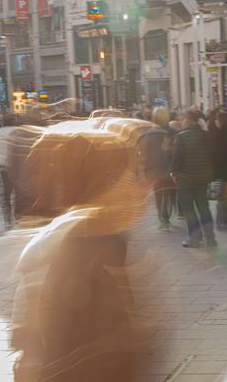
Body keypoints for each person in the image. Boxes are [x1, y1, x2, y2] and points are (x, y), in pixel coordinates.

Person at [11, 117, 156, 381]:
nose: (137, 189)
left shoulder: (92, 243)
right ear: (97, 186)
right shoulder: (70, 251)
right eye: (123, 176)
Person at [170, 109, 215, 248]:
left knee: (188, 209)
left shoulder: (181, 137)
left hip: (186, 178)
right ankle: (210, 239)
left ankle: (195, 238)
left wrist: (173, 173)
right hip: (203, 178)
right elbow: (212, 156)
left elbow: (177, 159)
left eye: (183, 119)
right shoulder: (207, 136)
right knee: (204, 207)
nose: (182, 122)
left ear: (188, 120)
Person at [150, 107, 177, 230]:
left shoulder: (149, 132)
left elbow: (145, 152)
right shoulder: (172, 132)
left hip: (155, 168)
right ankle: (166, 217)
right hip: (169, 166)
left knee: (158, 194)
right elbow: (177, 150)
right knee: (169, 193)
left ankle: (162, 218)